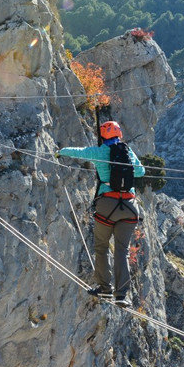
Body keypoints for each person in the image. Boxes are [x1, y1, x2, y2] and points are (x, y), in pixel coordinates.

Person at [57, 120, 145, 305]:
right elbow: (141, 171)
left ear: (103, 135)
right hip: (129, 206)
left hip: (107, 205)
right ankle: (122, 295)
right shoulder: (127, 151)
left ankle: (105, 289)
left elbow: (78, 152)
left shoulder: (99, 152)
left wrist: (60, 151)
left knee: (101, 247)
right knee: (122, 251)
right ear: (119, 133)